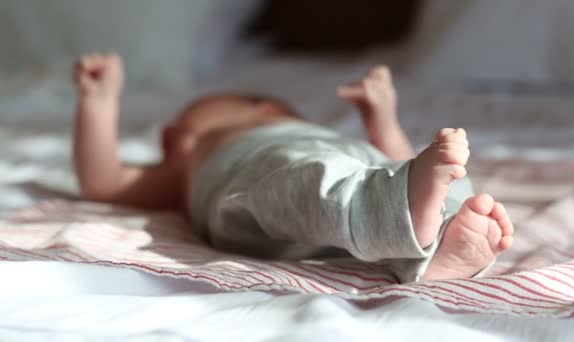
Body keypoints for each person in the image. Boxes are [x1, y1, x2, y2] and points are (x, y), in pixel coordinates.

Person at [72, 53, 513, 283]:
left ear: (266, 112)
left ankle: (445, 246)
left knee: (426, 179)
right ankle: (420, 221)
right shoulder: (187, 170)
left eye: (188, 121)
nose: (169, 136)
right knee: (310, 181)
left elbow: (401, 165)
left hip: (357, 175)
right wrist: (99, 101)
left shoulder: (288, 131)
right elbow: (105, 181)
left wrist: (383, 123)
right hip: (261, 193)